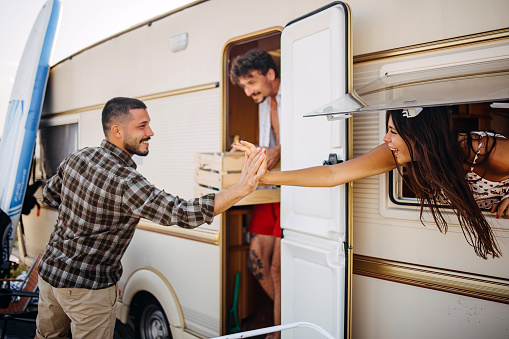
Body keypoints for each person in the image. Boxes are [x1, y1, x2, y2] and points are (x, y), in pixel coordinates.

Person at [35, 97, 266, 339]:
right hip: (87, 289)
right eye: (142, 126)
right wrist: (241, 188)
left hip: (51, 274)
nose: (150, 132)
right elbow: (181, 212)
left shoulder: (78, 157)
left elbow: (50, 196)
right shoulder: (125, 181)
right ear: (117, 131)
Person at [234, 106, 509, 259]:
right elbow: (332, 174)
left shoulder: (485, 150)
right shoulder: (401, 152)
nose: (386, 139)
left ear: (421, 136)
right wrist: (267, 178)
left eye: (392, 131)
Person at [229, 49, 281, 336]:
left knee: (276, 270)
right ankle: (291, 314)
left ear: (270, 74)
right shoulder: (264, 102)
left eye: (251, 83)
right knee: (256, 259)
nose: (248, 92)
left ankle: (278, 330)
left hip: (294, 189)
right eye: (244, 86)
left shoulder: (296, 95)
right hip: (269, 188)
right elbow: (268, 145)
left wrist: (280, 151)